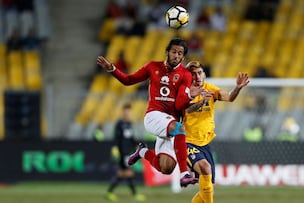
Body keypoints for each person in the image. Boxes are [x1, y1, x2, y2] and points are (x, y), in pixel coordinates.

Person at [97, 38, 203, 188]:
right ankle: (185, 174)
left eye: (180, 53)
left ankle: (142, 152)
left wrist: (190, 96)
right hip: (154, 116)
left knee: (166, 168)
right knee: (180, 128)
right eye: (174, 52)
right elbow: (128, 80)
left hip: (170, 124)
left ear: (183, 56)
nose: (176, 56)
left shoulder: (185, 75)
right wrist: (112, 69)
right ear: (167, 52)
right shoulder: (152, 66)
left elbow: (180, 104)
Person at [183, 61, 249, 203]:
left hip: (205, 143)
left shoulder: (210, 89)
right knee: (205, 168)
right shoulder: (184, 92)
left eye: (199, 73)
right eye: (193, 74)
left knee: (208, 188)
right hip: (187, 141)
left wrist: (237, 88)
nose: (197, 76)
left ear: (204, 74)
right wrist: (201, 102)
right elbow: (185, 110)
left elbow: (229, 97)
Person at [106, 103, 146, 202]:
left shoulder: (129, 124)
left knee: (122, 173)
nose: (127, 113)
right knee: (128, 173)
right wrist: (117, 150)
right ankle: (135, 194)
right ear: (123, 112)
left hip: (129, 151)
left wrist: (137, 144)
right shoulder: (119, 124)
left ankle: (109, 192)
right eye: (126, 111)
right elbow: (117, 138)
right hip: (122, 152)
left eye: (129, 111)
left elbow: (130, 138)